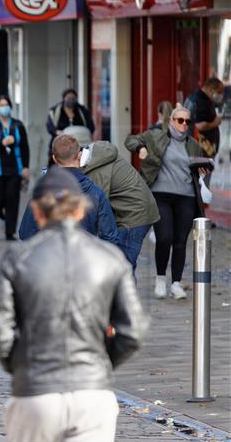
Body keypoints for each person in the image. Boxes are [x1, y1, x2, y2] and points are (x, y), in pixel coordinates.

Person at [0, 167, 147, 442]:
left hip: (36, 390)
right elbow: (134, 329)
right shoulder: (109, 257)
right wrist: (101, 362)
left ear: (37, 212)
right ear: (81, 211)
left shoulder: (19, 257)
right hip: (92, 392)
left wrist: (21, 365)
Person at [125, 104, 206, 300]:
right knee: (164, 238)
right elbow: (130, 139)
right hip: (160, 194)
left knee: (180, 241)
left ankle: (176, 284)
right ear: (171, 121)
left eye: (187, 121)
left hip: (186, 196)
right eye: (180, 120)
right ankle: (161, 279)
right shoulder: (156, 136)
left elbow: (198, 166)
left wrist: (203, 168)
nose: (184, 124)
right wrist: (141, 148)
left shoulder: (194, 144)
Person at [65, 126, 159, 276]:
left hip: (134, 216)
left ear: (76, 154)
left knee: (122, 267)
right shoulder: (94, 157)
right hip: (135, 212)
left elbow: (96, 209)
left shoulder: (97, 171)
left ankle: (126, 299)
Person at [18, 135, 120, 245]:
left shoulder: (43, 191)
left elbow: (25, 233)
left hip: (49, 257)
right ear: (80, 156)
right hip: (84, 257)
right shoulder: (96, 192)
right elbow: (110, 237)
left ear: (54, 159)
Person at [0, 95, 29, 241]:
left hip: (15, 168)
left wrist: (26, 167)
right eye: (1, 105)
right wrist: (1, 143)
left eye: (6, 104)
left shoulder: (18, 125)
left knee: (12, 199)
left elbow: (25, 147)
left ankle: (10, 232)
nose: (4, 107)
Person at [192, 77, 224, 159]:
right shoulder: (200, 101)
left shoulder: (206, 99)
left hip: (206, 148)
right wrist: (215, 123)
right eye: (219, 92)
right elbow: (200, 126)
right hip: (201, 149)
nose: (221, 95)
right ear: (210, 89)